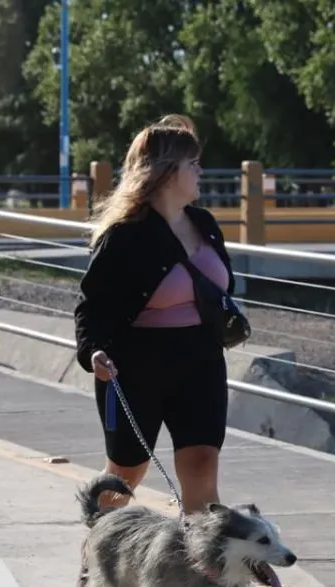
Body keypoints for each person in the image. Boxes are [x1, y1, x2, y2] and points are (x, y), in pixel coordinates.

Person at [73, 113, 234, 517]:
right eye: (191, 164)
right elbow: (92, 305)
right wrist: (92, 352)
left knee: (201, 464)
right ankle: (100, 555)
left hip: (201, 360)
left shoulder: (205, 224)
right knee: (126, 472)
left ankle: (198, 572)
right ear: (165, 173)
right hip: (135, 365)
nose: (200, 171)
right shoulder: (125, 236)